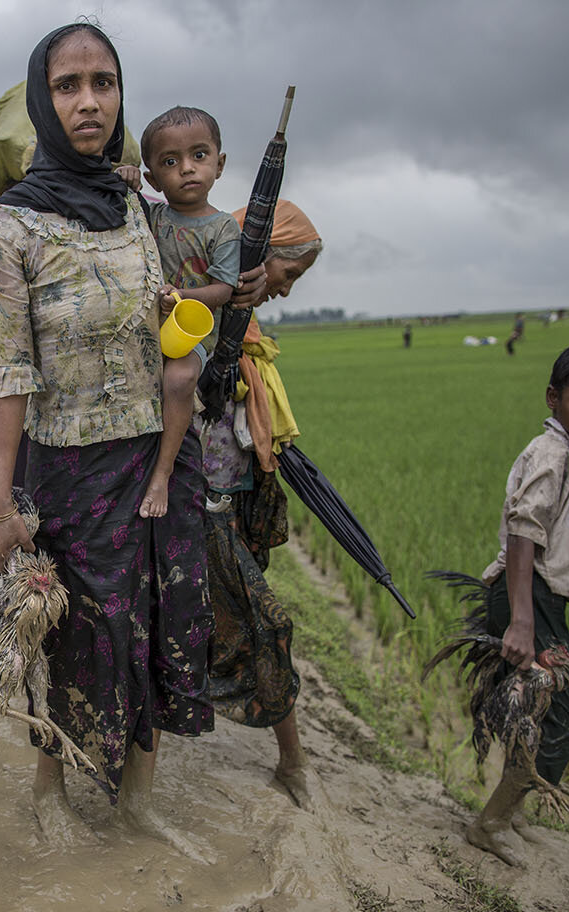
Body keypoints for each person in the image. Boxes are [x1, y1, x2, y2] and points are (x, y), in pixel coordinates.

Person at [0, 23, 264, 853]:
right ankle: (50, 791)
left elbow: (170, 309)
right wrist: (0, 501)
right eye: (68, 85)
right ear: (43, 98)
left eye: (104, 82)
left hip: (157, 459)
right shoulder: (10, 228)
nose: (89, 101)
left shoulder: (135, 206)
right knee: (72, 636)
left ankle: (138, 799)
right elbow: (6, 372)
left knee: (166, 622)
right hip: (67, 469)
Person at [465, 341, 569, 866]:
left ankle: (509, 815)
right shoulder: (551, 454)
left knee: (537, 715)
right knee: (559, 720)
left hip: (540, 599)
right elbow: (522, 533)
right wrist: (520, 620)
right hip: (526, 595)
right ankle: (491, 823)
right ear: (554, 398)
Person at [201, 199, 323, 809]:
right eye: (288, 274)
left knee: (232, 624)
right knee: (266, 623)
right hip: (201, 504)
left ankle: (289, 761)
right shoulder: (209, 312)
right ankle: (293, 764)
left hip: (238, 496)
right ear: (261, 254)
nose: (285, 289)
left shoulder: (247, 331)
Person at [135, 105, 241, 518]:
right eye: (170, 162)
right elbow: (125, 197)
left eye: (199, 155)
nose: (187, 169)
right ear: (153, 179)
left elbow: (224, 288)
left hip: (190, 335)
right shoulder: (152, 216)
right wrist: (124, 178)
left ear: (220, 163)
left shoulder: (222, 228)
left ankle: (161, 474)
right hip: (146, 329)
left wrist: (181, 296)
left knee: (178, 380)